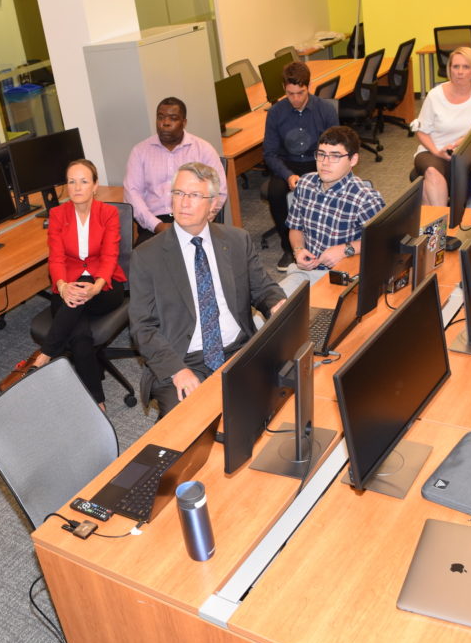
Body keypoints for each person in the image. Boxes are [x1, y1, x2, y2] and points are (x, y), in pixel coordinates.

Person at [129, 162, 285, 418]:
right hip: (183, 357)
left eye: (194, 195)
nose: (183, 203)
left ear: (213, 203)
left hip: (238, 348)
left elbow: (263, 287)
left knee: (275, 406)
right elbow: (142, 327)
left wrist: (277, 303)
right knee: (187, 428)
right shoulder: (147, 256)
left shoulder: (236, 240)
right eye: (178, 193)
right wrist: (177, 370)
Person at [2, 160, 127, 410]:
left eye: (83, 181)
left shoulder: (108, 214)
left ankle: (44, 356)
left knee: (79, 298)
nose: (77, 187)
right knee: (79, 335)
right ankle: (98, 402)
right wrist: (61, 286)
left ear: (95, 186)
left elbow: (110, 256)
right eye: (72, 181)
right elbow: (56, 258)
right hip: (68, 286)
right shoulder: (58, 215)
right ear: (66, 186)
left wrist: (95, 286)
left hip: (106, 286)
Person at [280, 125, 385, 295]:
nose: (325, 163)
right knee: (269, 314)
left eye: (335, 156)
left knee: (316, 319)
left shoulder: (365, 198)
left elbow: (383, 241)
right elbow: (295, 228)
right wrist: (299, 250)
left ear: (353, 160)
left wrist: (345, 249)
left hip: (344, 277)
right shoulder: (306, 184)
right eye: (321, 154)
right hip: (306, 273)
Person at [263, 60, 339, 271]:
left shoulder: (325, 109)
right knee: (275, 193)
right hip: (288, 164)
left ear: (309, 87)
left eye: (300, 93)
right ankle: (289, 248)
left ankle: (326, 243)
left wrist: (321, 170)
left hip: (319, 162)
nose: (295, 99)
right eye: (290, 94)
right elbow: (269, 153)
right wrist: (288, 175)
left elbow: (336, 147)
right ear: (284, 90)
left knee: (328, 189)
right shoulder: (276, 113)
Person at [124, 97, 227, 244]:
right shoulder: (140, 152)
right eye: (160, 117)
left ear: (184, 123)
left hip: (195, 219)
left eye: (173, 118)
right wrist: (156, 225)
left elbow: (219, 191)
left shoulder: (203, 149)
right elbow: (131, 194)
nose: (165, 123)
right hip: (155, 223)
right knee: (142, 262)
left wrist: (198, 221)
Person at [414, 46, 471, 207]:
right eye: (455, 67)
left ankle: (432, 227)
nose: (460, 72)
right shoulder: (435, 95)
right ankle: (442, 227)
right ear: (449, 69)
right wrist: (437, 152)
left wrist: (462, 141)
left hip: (465, 152)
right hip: (433, 151)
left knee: (428, 193)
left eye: (466, 67)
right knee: (432, 174)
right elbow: (421, 132)